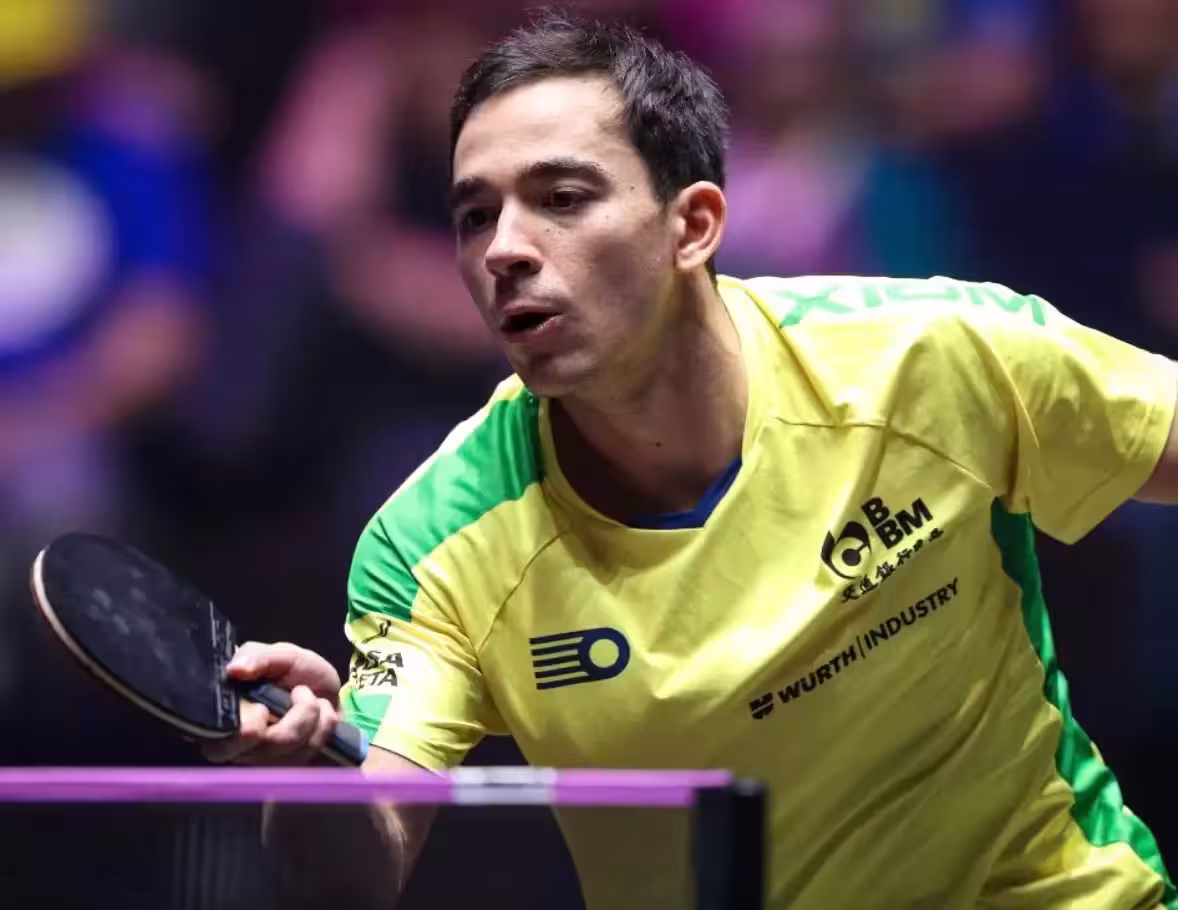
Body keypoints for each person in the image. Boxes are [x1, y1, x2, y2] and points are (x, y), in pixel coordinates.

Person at [207, 10, 1178, 909]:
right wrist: (311, 775)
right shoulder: (434, 542)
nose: (503, 249)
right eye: (474, 215)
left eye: (560, 197)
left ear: (694, 225)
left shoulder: (932, 360)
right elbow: (359, 865)